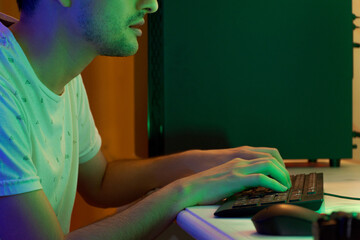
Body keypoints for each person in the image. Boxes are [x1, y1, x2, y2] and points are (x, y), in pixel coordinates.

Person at [0, 0, 292, 239]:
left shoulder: (57, 70)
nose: (151, 5)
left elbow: (101, 180)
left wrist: (206, 163)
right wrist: (185, 191)